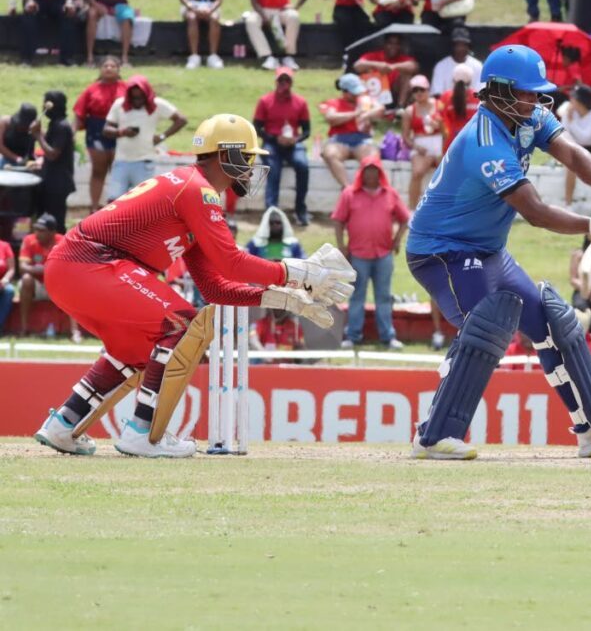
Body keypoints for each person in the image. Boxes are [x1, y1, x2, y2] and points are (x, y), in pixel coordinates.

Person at [32, 113, 355, 458]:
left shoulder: (193, 190)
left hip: (76, 269)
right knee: (181, 322)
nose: (250, 168)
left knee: (134, 350)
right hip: (90, 263)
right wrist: (298, 272)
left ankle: (64, 424)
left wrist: (285, 299)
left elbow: (216, 287)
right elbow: (233, 262)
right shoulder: (199, 191)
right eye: (246, 157)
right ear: (225, 154)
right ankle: (143, 433)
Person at [405, 44, 591, 460]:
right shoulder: (485, 141)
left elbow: (573, 152)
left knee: (553, 316)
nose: (536, 100)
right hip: (440, 251)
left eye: (539, 93)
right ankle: (434, 437)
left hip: (487, 249)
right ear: (497, 92)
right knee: (489, 321)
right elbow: (534, 211)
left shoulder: (528, 115)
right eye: (527, 92)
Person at [332, 155, 408, 351]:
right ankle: (352, 336)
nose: (371, 174)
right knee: (357, 295)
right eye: (367, 170)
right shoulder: (349, 194)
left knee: (384, 296)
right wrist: (342, 246)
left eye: (375, 170)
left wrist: (397, 240)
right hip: (358, 255)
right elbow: (338, 220)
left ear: (380, 173)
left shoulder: (390, 194)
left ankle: (388, 336)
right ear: (362, 173)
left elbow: (405, 218)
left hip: (383, 255)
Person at [103, 76, 188, 201]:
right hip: (121, 160)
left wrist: (162, 136)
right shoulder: (120, 104)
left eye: (140, 97)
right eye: (134, 98)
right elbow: (106, 130)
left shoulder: (156, 104)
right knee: (114, 200)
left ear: (146, 94)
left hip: (144, 161)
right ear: (129, 96)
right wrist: (122, 132)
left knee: (142, 201)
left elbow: (181, 120)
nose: (137, 101)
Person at [253, 67, 311, 227]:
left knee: (303, 166)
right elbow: (257, 128)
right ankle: (271, 212)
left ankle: (300, 209)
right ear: (276, 82)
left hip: (293, 143)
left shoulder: (300, 102)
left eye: (287, 80)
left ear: (291, 83)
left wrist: (295, 140)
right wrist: (274, 138)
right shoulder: (265, 101)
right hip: (272, 142)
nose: (284, 84)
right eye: (281, 80)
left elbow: (307, 131)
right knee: (273, 167)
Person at [74, 57, 126, 212]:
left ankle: (119, 208)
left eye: (112, 65)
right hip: (97, 130)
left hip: (120, 130)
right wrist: (73, 132)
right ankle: (94, 207)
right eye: (105, 65)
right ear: (100, 69)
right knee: (98, 170)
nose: (109, 68)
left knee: (117, 172)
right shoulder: (92, 89)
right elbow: (79, 112)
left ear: (118, 69)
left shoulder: (127, 88)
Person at [19, 213, 80, 342]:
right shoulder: (29, 240)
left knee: (71, 284)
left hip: (57, 285)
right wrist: (43, 270)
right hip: (38, 285)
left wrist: (44, 269)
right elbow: (22, 267)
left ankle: (75, 332)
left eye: (42, 230)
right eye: (36, 229)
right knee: (26, 279)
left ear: (52, 232)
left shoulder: (63, 241)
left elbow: (69, 268)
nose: (37, 233)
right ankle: (24, 328)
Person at [321, 73, 383, 189]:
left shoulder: (365, 101)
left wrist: (366, 115)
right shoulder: (335, 103)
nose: (357, 94)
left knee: (372, 159)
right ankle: (347, 187)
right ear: (345, 92)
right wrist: (355, 114)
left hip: (362, 139)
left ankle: (365, 188)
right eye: (353, 92)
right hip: (339, 139)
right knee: (330, 154)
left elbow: (380, 109)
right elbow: (331, 118)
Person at [557, 84, 591, 209]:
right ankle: (568, 204)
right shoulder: (568, 112)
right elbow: (563, 132)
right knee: (571, 168)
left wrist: (571, 121)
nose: (571, 101)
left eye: (574, 98)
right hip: (574, 147)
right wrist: (567, 118)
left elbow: (586, 137)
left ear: (581, 100)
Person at [29, 92, 76, 232]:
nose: (43, 106)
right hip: (52, 179)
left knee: (56, 220)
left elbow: (53, 154)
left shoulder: (61, 126)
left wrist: (37, 135)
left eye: (46, 102)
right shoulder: (55, 124)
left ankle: (59, 246)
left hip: (58, 182)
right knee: (44, 217)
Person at [400, 74, 443, 209]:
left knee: (448, 173)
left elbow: (447, 129)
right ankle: (412, 210)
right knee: (417, 172)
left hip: (439, 142)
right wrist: (416, 147)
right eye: (415, 90)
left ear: (428, 90)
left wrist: (439, 125)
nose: (418, 93)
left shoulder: (439, 105)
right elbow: (406, 137)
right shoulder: (409, 111)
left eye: (421, 90)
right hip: (420, 144)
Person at [353, 31, 419, 107]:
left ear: (400, 46)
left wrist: (393, 67)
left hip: (395, 91)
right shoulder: (373, 55)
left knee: (407, 74)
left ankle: (400, 108)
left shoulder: (403, 57)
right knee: (367, 70)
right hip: (376, 90)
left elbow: (414, 66)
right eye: (390, 43)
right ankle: (369, 106)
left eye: (397, 44)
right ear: (384, 44)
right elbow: (357, 66)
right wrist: (378, 65)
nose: (393, 47)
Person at [439, 63, 480, 154]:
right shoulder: (478, 97)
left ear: (453, 79)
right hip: (473, 143)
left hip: (451, 145)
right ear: (470, 80)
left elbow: (441, 121)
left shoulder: (445, 97)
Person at [430, 27, 482, 96]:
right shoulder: (441, 66)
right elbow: (437, 94)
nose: (460, 48)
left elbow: (480, 94)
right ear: (452, 46)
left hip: (471, 105)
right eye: (457, 45)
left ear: (469, 47)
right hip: (447, 104)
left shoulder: (477, 66)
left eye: (464, 45)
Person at [0, 235, 14, 332]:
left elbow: (11, 269)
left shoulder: (4, 246)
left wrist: (5, 280)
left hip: (2, 282)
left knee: (9, 290)